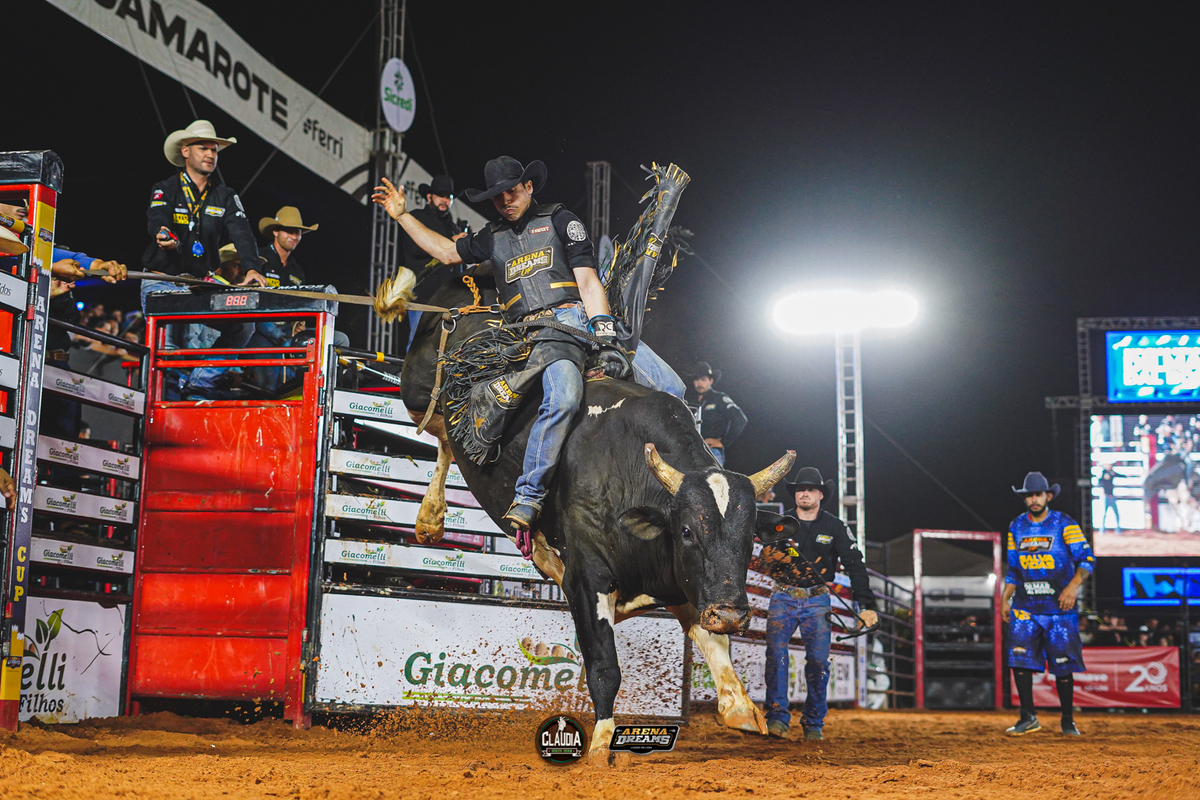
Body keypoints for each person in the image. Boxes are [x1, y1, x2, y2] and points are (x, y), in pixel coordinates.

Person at [371, 156, 684, 554]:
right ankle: (529, 496)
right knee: (564, 396)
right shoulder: (492, 237)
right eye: (497, 197)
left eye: (512, 191)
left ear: (529, 187)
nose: (506, 201)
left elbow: (588, 281)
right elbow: (448, 252)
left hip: (583, 317)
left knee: (673, 387)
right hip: (539, 331)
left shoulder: (560, 220)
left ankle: (687, 486)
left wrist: (604, 332)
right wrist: (401, 216)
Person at [750, 466, 878, 741]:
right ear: (795, 494)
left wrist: (865, 605)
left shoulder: (835, 527)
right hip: (783, 594)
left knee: (819, 661)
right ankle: (777, 717)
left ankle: (813, 722)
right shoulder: (779, 524)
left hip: (817, 598)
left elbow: (855, 564)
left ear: (820, 494)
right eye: (800, 490)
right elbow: (760, 553)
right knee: (776, 654)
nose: (804, 494)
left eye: (810, 490)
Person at [143, 119, 266, 398]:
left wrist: (252, 268)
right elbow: (157, 216)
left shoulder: (225, 195)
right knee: (168, 354)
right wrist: (162, 233)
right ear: (185, 152)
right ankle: (165, 408)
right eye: (204, 148)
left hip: (201, 284)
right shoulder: (166, 188)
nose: (211, 154)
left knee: (243, 325)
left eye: (214, 150)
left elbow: (242, 232)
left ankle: (199, 382)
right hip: (162, 281)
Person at [1002, 471, 1095, 737]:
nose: (1034, 499)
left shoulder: (1065, 524)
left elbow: (1087, 559)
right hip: (1025, 606)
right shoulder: (1016, 526)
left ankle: (1067, 720)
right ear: (1024, 498)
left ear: (1048, 496)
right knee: (1019, 661)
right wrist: (1004, 599)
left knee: (1063, 665)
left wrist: (1072, 586)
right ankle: (1027, 717)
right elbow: (1013, 569)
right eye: (1029, 495)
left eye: (1038, 495)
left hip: (1059, 609)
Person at [399, 175, 468, 349]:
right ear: (429, 197)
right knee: (418, 344)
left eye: (448, 197)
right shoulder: (418, 217)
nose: (445, 200)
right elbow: (415, 248)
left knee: (449, 346)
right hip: (423, 296)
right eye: (440, 195)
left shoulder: (453, 227)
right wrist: (451, 241)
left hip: (450, 299)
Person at [684, 361, 747, 467]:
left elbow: (740, 419)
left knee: (712, 476)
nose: (699, 383)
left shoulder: (719, 398)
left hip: (711, 451)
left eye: (703, 379)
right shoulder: (689, 401)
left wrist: (723, 442)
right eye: (696, 379)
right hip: (691, 452)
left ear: (711, 380)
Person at [1098, 466, 1120, 532]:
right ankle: (1102, 529)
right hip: (1106, 496)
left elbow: (1117, 475)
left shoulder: (1111, 473)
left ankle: (1117, 529)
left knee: (1115, 513)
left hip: (1110, 496)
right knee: (1104, 514)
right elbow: (1100, 483)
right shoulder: (1103, 473)